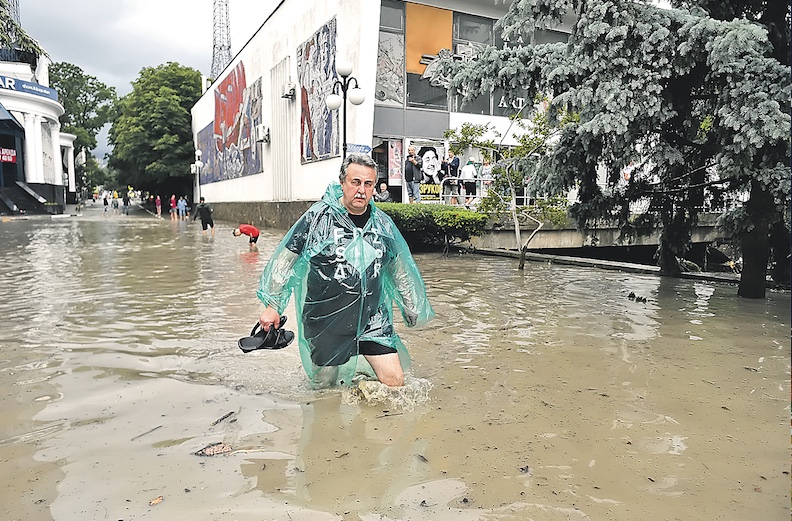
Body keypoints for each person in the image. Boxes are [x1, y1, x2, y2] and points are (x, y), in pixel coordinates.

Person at [256, 153, 435, 388]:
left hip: (372, 318)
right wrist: (272, 306)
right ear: (343, 183)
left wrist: (410, 305)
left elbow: (398, 266)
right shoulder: (317, 219)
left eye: (368, 184)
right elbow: (285, 262)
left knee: (394, 382)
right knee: (325, 388)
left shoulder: (382, 224)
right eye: (355, 182)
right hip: (326, 319)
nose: (361, 190)